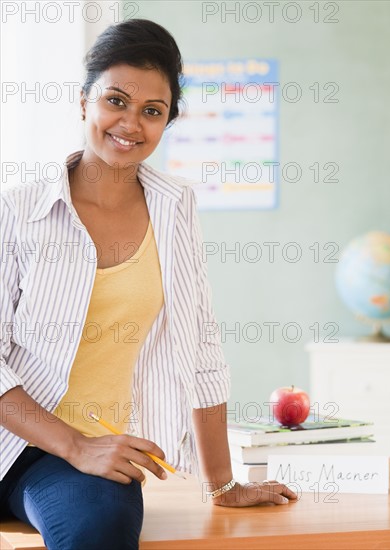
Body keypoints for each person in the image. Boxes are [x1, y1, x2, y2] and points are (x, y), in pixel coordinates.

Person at [0, 18, 297, 549]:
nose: (130, 123)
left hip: (84, 463)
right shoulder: (17, 208)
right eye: (115, 100)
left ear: (167, 122)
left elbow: (199, 346)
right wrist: (73, 445)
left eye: (152, 112)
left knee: (101, 530)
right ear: (83, 100)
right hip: (26, 437)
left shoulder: (174, 207)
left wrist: (222, 483)